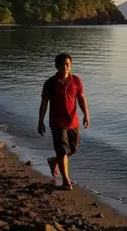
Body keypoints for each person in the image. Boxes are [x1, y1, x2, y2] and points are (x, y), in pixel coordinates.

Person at [38, 53, 90, 190]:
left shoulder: (76, 81)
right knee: (62, 151)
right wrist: (40, 121)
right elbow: (44, 103)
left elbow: (81, 98)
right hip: (57, 123)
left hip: (73, 122)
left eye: (68, 64)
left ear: (71, 65)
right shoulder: (50, 83)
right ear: (57, 66)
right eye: (62, 64)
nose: (65, 67)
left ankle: (54, 161)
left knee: (73, 149)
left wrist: (86, 115)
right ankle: (66, 181)